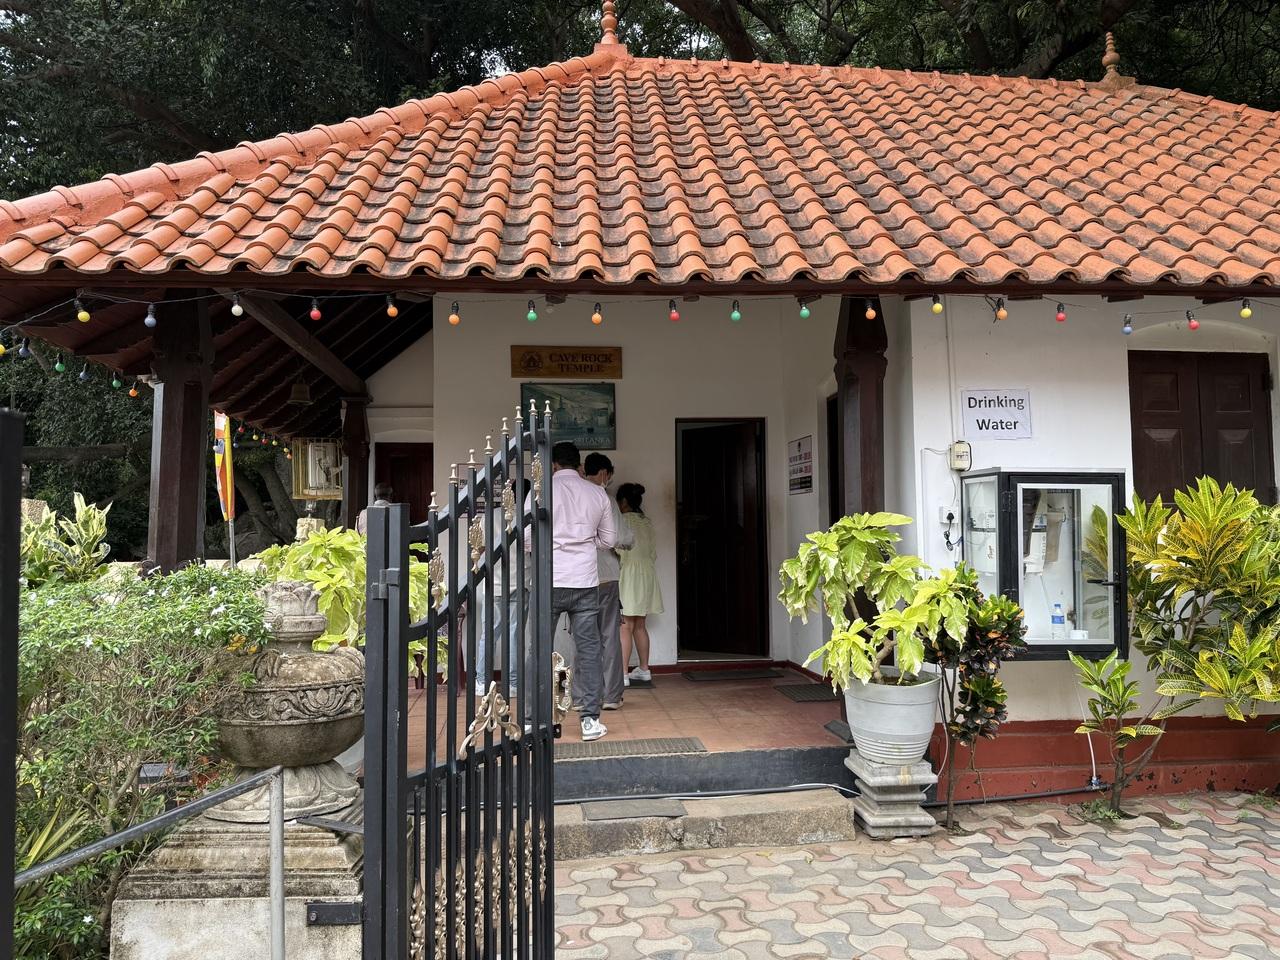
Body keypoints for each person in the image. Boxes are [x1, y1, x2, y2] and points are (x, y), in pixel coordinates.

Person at [533, 441, 617, 742]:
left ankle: (533, 720)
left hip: (550, 580)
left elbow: (528, 539)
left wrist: (554, 545)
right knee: (590, 650)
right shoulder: (597, 493)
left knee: (538, 648)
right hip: (584, 581)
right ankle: (590, 721)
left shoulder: (540, 491)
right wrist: (584, 542)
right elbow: (609, 540)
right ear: (578, 464)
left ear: (553, 464)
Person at [582, 452, 633, 711]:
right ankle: (611, 695)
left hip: (578, 577)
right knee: (609, 635)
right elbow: (622, 538)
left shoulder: (574, 495)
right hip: (606, 576)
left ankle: (583, 696)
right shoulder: (605, 499)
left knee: (583, 637)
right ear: (604, 473)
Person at [474, 480, 533, 698]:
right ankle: (513, 683)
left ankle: (481, 682)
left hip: (494, 583)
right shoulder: (529, 517)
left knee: (489, 635)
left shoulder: (490, 516)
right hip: (522, 581)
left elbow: (478, 550)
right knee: (515, 635)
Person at [617, 483, 662, 683]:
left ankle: (623, 674)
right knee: (640, 625)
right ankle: (644, 669)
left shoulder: (622, 521)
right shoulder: (647, 522)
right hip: (647, 574)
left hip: (629, 574)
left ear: (624, 502)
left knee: (625, 626)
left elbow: (618, 551)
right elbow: (653, 553)